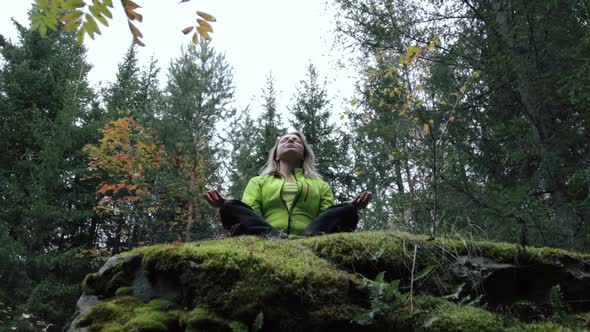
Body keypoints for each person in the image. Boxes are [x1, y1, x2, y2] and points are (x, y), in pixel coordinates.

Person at [203, 131, 371, 237]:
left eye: (296, 140)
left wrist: (352, 206)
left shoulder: (320, 186)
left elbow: (325, 217)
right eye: (285, 140)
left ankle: (308, 238)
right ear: (276, 155)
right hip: (266, 235)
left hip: (311, 236)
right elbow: (250, 213)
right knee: (231, 206)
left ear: (304, 154)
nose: (290, 140)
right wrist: (224, 204)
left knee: (347, 209)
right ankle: (275, 237)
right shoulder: (259, 182)